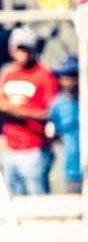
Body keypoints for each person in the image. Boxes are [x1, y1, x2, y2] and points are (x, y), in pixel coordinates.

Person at [0, 26, 58, 196]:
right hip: (11, 147)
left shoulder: (44, 75)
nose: (25, 53)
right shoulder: (7, 72)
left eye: (28, 49)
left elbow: (51, 112)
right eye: (20, 48)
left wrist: (18, 111)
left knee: (38, 197)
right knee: (13, 198)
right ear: (12, 49)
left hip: (35, 148)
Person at [50, 56, 82, 193]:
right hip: (72, 170)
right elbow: (55, 133)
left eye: (72, 76)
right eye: (64, 76)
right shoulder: (57, 105)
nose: (68, 81)